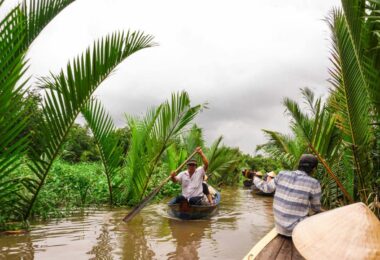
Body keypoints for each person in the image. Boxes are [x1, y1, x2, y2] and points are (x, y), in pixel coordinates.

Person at [253, 154, 322, 237]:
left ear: (298, 165)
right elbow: (316, 209)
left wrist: (254, 178)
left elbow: (266, 188)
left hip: (279, 227)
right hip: (296, 230)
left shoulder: (282, 174)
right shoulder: (314, 183)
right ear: (314, 169)